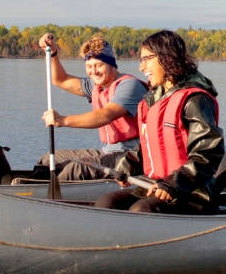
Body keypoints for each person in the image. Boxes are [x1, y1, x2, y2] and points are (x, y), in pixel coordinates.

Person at [95, 30, 224, 214]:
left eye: (146, 59)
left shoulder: (195, 99)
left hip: (192, 193)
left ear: (166, 57)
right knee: (107, 202)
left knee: (141, 210)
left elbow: (208, 153)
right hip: (156, 186)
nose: (141, 67)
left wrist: (173, 183)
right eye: (141, 60)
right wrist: (127, 164)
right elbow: (151, 149)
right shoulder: (154, 100)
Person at [36, 33, 148, 180]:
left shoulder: (129, 85)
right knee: (48, 159)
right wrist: (53, 53)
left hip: (132, 155)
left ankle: (51, 199)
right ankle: (29, 190)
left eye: (99, 65)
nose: (93, 71)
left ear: (111, 64)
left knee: (77, 169)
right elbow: (60, 80)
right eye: (89, 66)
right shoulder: (95, 86)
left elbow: (105, 115)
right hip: (108, 151)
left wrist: (62, 120)